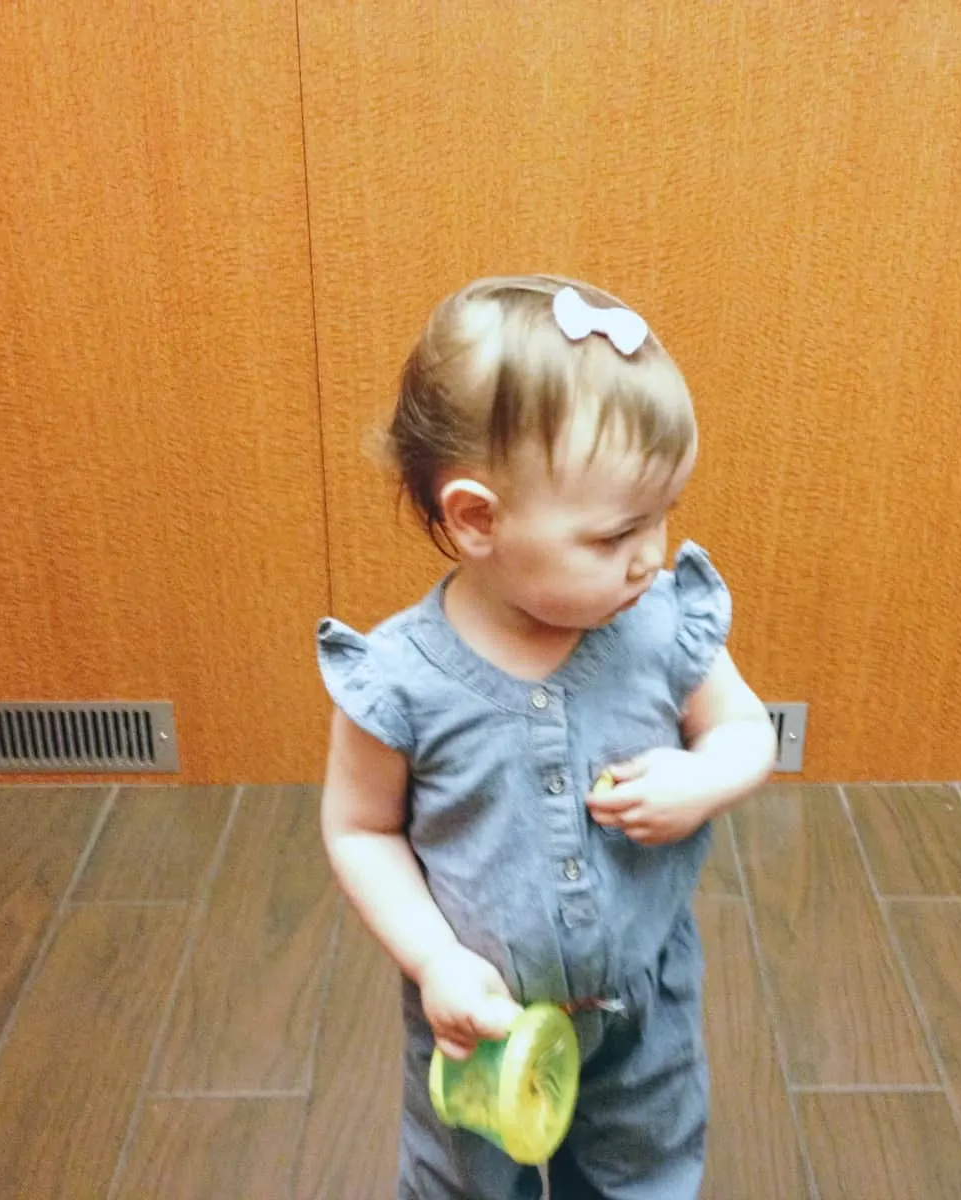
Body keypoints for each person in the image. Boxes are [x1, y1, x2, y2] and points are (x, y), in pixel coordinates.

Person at [316, 274, 777, 1199]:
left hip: (640, 1006)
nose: (652, 554)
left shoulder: (655, 626)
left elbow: (744, 730)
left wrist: (706, 780)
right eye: (616, 534)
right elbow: (359, 831)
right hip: (474, 1023)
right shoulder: (401, 681)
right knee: (463, 1184)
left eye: (665, 514)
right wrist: (434, 960)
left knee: (643, 1173)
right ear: (477, 518)